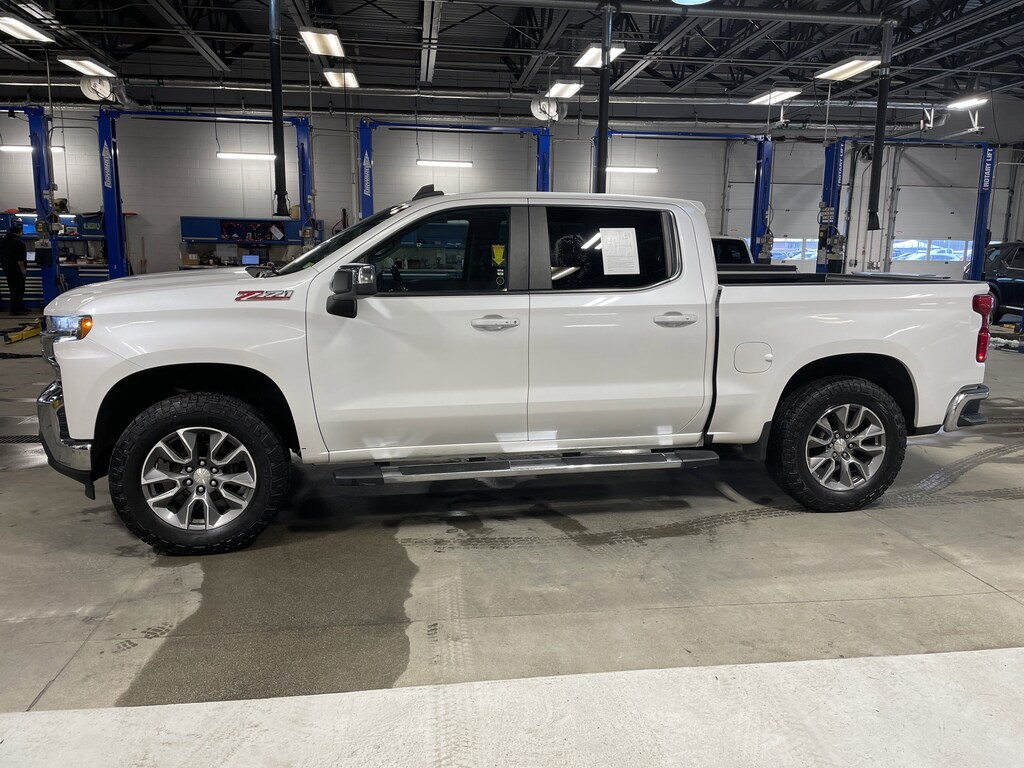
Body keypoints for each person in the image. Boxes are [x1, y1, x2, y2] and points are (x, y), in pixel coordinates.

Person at [1, 221, 29, 316]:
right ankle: (16, 310)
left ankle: (20, 308)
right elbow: (19, 259)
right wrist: (23, 269)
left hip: (7, 268)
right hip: (16, 269)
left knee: (13, 289)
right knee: (18, 289)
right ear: (19, 232)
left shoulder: (4, 240)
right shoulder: (18, 242)